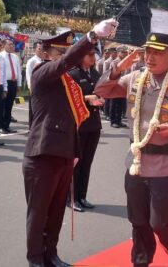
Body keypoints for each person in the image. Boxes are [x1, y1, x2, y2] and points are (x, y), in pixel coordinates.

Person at [94, 32, 168, 267]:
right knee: (138, 220)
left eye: (158, 53)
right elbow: (102, 91)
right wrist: (117, 69)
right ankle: (141, 261)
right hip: (136, 162)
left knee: (160, 222)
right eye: (148, 52)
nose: (150, 57)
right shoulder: (135, 78)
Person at [23, 19, 116, 267]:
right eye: (59, 52)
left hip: (64, 152)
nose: (64, 57)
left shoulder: (67, 82)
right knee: (39, 212)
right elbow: (66, 63)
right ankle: (35, 258)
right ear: (43, 53)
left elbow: (72, 110)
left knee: (55, 212)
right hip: (42, 153)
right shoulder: (41, 73)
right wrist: (92, 36)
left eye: (65, 52)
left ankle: (50, 254)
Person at [67, 48, 104, 213]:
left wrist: (102, 99)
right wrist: (85, 99)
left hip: (94, 124)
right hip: (79, 125)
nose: (92, 58)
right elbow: (68, 99)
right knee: (76, 163)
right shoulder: (73, 74)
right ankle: (71, 198)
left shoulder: (95, 74)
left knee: (87, 162)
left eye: (93, 55)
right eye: (89, 55)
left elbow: (102, 92)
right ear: (81, 57)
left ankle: (82, 196)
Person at [0, 39, 22, 134]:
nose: (12, 46)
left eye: (12, 45)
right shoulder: (0, 56)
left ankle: (7, 126)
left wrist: (19, 84)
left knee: (9, 106)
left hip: (13, 83)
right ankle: (0, 126)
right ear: (4, 45)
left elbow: (18, 71)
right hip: (4, 83)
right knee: (2, 106)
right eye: (9, 45)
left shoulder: (15, 57)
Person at [109, 46, 129, 128]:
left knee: (121, 104)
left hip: (123, 85)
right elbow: (111, 74)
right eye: (122, 52)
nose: (124, 54)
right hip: (115, 84)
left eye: (125, 52)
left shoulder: (126, 62)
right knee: (114, 103)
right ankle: (113, 121)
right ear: (118, 53)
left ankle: (119, 120)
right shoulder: (114, 62)